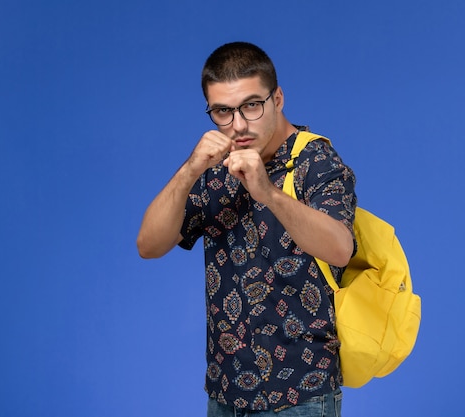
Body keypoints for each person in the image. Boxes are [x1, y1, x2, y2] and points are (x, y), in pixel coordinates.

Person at [137, 41, 357, 416]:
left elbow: (340, 249)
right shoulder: (213, 168)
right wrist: (192, 168)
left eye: (251, 106)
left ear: (278, 98)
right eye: (223, 111)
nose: (238, 124)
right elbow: (149, 245)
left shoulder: (315, 160)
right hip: (226, 392)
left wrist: (268, 193)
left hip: (299, 395)